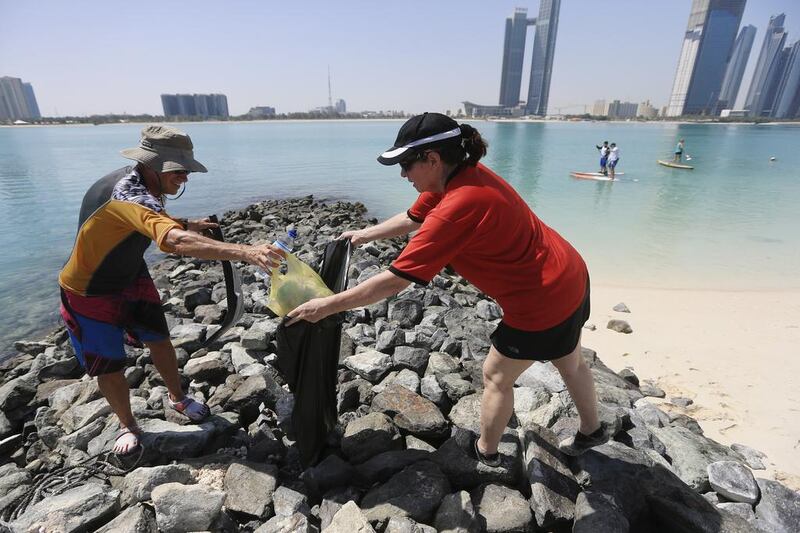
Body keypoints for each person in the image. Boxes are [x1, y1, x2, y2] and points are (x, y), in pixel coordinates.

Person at [287, 113, 606, 465]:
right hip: (569, 273)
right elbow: (412, 218)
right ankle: (593, 429)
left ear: (432, 159)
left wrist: (327, 306)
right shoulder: (457, 178)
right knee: (570, 361)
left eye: (407, 165)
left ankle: (486, 455)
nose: (402, 174)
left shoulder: (459, 205)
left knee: (496, 375)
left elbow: (396, 280)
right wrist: (364, 235)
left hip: (541, 298)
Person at [58, 125, 284, 455]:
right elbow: (170, 241)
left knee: (159, 339)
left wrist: (185, 223)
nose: (184, 178)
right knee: (109, 365)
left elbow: (145, 218)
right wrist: (246, 252)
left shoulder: (138, 183)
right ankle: (127, 425)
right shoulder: (128, 194)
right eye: (178, 171)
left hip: (131, 275)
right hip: (90, 290)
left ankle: (177, 398)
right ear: (153, 165)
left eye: (185, 171)